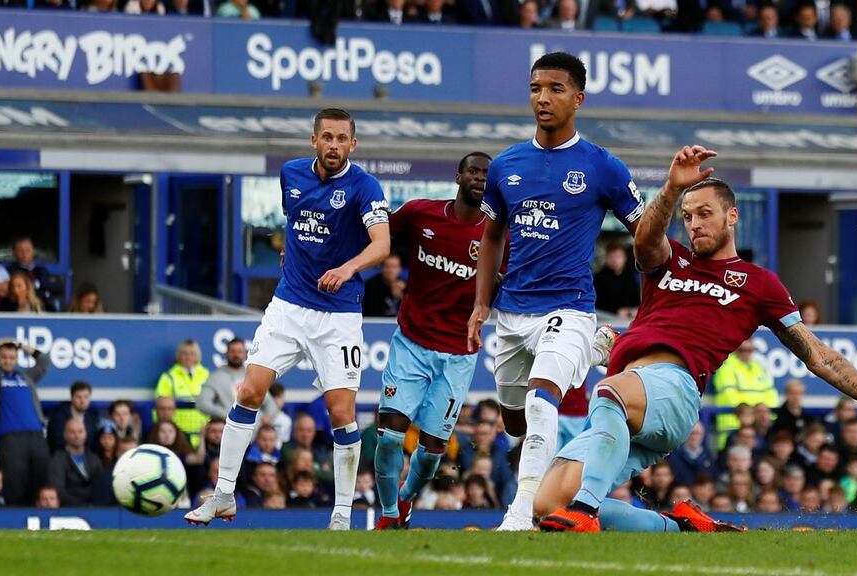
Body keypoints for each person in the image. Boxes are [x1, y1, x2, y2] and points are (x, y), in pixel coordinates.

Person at [533, 145, 857, 533]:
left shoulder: (759, 284)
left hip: (671, 391)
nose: (694, 224)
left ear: (732, 216)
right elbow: (643, 240)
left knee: (609, 394)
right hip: (628, 406)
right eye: (688, 216)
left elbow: (817, 355)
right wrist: (672, 189)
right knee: (548, 503)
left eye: (704, 213)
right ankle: (679, 528)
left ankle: (585, 509)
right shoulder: (670, 258)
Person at [186, 108, 390, 530]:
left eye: (341, 139)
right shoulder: (291, 175)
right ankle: (224, 494)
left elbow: (382, 243)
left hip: (339, 316)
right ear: (313, 140)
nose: (333, 145)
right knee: (248, 391)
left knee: (341, 414)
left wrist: (348, 268)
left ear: (353, 145)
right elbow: (296, 225)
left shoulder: (364, 186)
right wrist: (293, 254)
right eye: (326, 137)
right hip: (289, 306)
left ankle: (341, 514)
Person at [467, 52, 643, 531]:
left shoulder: (602, 167)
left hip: (567, 306)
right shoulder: (506, 165)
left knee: (544, 400)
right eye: (535, 88)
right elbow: (491, 237)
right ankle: (589, 354)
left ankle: (519, 513)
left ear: (578, 98)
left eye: (555, 89)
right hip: (512, 313)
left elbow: (643, 234)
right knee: (515, 420)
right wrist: (482, 303)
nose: (542, 98)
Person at [372, 152, 497, 529]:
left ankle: (407, 499)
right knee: (390, 436)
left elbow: (505, 286)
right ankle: (389, 515)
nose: (479, 178)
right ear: (458, 176)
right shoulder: (420, 213)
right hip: (411, 341)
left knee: (431, 451)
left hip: (458, 354)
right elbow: (377, 237)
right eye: (473, 171)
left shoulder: (497, 235)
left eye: (486, 174)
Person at [0, 338, 52, 506]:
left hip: (36, 437)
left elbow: (44, 361)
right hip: (10, 439)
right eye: (4, 357)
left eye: (12, 357)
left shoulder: (26, 377)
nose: (8, 361)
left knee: (41, 481)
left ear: (17, 359)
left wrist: (22, 346)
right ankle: (16, 522)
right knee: (15, 485)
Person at [197, 338, 279, 428]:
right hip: (227, 426)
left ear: (246, 354)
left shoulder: (252, 376)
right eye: (232, 351)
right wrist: (225, 415)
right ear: (226, 354)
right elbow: (202, 403)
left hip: (254, 427)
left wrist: (267, 417)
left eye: (239, 351)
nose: (236, 355)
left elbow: (270, 403)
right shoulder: (216, 377)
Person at [711, 339, 778, 449]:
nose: (746, 353)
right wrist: (751, 414)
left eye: (750, 350)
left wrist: (765, 415)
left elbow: (771, 395)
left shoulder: (757, 367)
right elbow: (729, 395)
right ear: (736, 349)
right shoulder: (727, 366)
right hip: (733, 427)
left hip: (757, 429)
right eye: (742, 350)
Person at [155, 339, 211, 449]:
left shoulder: (207, 376)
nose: (188, 357)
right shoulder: (168, 377)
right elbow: (161, 406)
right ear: (179, 356)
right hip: (177, 436)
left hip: (204, 435)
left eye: (192, 354)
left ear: (197, 356)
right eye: (184, 354)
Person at [48, 418, 103, 507]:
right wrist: (82, 505)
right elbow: (58, 491)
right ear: (65, 435)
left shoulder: (94, 459)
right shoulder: (57, 460)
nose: (77, 436)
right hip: (69, 510)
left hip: (94, 509)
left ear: (85, 433)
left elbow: (100, 487)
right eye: (72, 432)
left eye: (80, 431)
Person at [6, 236, 58, 311]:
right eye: (20, 250)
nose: (24, 254)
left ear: (33, 251)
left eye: (28, 250)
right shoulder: (11, 271)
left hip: (45, 307)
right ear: (14, 253)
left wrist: (40, 284)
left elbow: (58, 286)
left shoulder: (41, 270)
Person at [47, 381, 99, 454]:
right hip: (63, 458)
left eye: (86, 397)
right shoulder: (58, 417)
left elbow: (93, 444)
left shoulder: (92, 418)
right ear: (72, 398)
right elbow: (56, 442)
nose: (82, 401)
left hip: (87, 460)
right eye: (79, 397)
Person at [593, 241, 640, 319]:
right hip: (606, 317)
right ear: (606, 258)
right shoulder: (599, 277)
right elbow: (597, 303)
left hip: (629, 316)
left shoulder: (630, 276)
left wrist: (633, 309)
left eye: (619, 257)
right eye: (612, 256)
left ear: (625, 258)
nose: (615, 260)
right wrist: (616, 311)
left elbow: (636, 299)